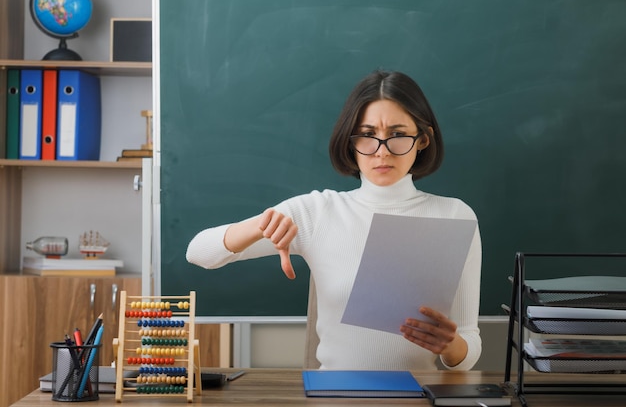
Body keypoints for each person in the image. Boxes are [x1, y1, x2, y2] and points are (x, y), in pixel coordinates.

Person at [186, 70, 482, 371]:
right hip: (333, 394)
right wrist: (260, 225)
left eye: (397, 134)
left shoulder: (454, 216)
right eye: (367, 136)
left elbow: (468, 348)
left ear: (423, 140)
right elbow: (198, 252)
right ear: (350, 142)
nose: (381, 151)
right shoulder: (318, 211)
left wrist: (452, 346)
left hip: (419, 393)